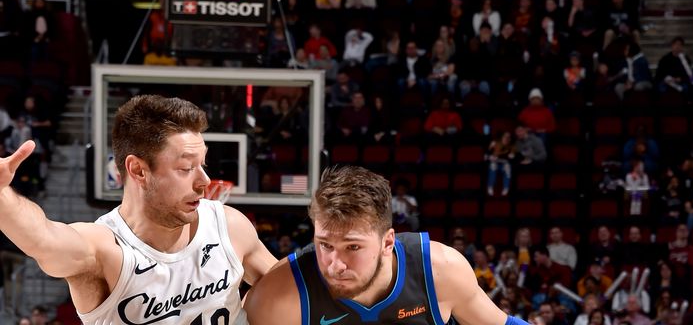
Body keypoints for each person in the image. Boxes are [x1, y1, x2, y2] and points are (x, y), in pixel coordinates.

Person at [0, 95, 277, 324]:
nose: (204, 181)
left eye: (202, 164)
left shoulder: (228, 226)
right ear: (138, 170)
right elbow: (43, 238)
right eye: (185, 168)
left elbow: (293, 290)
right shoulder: (105, 249)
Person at [244, 166, 530, 325]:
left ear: (387, 242)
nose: (335, 264)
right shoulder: (280, 295)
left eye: (352, 247)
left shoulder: (440, 269)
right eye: (325, 245)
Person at [487, 131, 515, 196]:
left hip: (504, 165)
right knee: (492, 165)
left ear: (510, 139)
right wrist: (490, 156)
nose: (506, 138)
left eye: (508, 137)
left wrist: (511, 156)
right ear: (502, 137)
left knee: (507, 167)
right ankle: (490, 186)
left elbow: (512, 157)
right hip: (495, 163)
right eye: (505, 136)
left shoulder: (512, 146)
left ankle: (506, 187)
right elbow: (487, 155)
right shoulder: (495, 143)